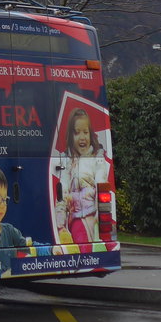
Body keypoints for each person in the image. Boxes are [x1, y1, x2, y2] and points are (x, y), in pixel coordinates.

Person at [55, 107, 111, 250]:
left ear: (90, 134)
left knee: (90, 248)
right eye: (77, 132)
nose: (82, 137)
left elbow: (101, 183)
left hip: (93, 216)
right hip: (75, 218)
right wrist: (60, 225)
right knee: (80, 246)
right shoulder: (68, 161)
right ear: (70, 136)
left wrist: (100, 216)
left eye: (85, 132)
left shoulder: (97, 158)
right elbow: (63, 192)